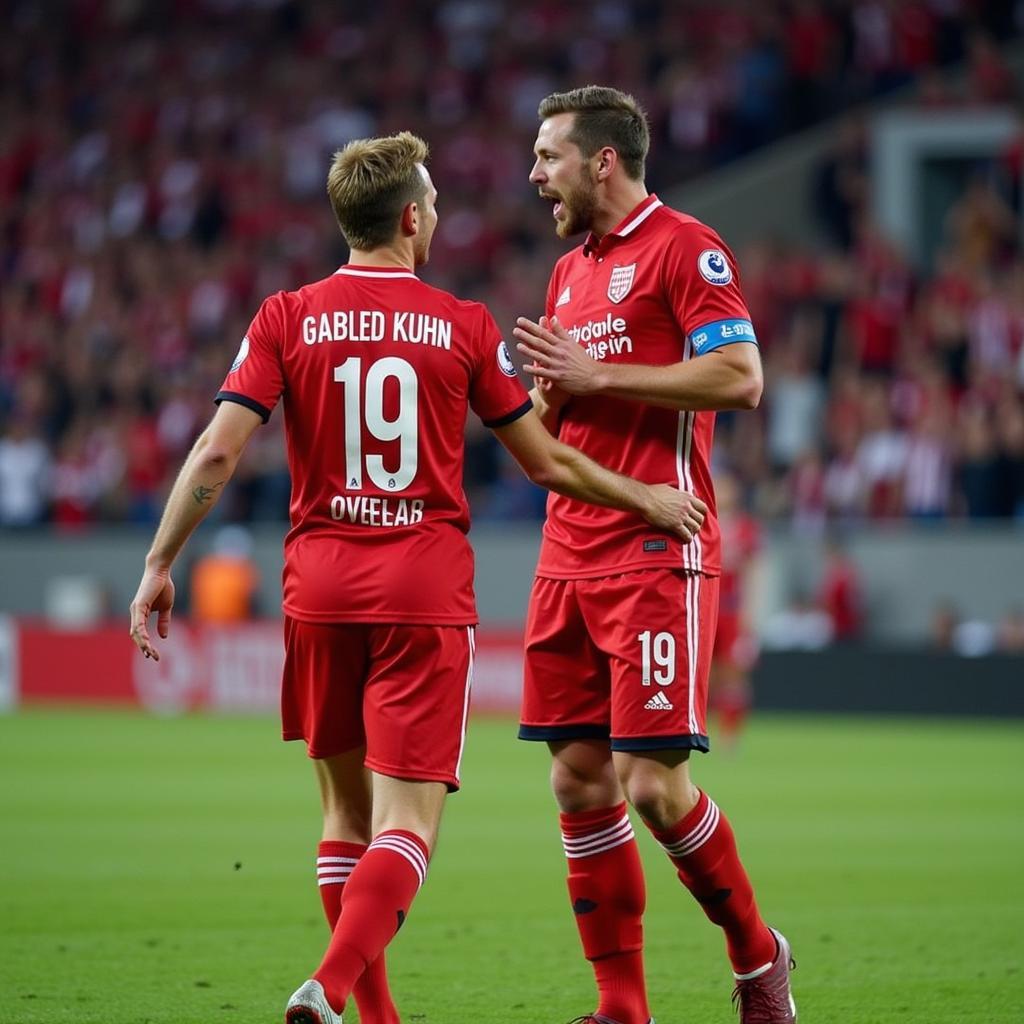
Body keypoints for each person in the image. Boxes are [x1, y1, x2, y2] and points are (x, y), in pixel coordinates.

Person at [128, 130, 707, 1024]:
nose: (437, 211)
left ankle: (376, 1015)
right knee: (409, 826)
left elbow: (216, 450)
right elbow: (547, 463)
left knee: (340, 814)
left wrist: (161, 560)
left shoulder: (285, 315)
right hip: (421, 594)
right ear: (408, 216)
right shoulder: (464, 325)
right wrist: (648, 498)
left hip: (315, 588)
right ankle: (329, 982)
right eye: (431, 201)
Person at [513, 87, 796, 1024]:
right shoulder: (565, 276)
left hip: (652, 546)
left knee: (655, 788)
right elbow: (558, 416)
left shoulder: (687, 247)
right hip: (567, 553)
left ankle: (759, 959)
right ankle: (621, 1006)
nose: (534, 173)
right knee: (576, 776)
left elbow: (740, 377)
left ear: (602, 160)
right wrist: (535, 402)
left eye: (549, 155)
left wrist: (598, 375)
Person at [708, 471, 761, 752]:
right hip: (706, 606)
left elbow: (751, 572)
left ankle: (731, 735)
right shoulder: (705, 521)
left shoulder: (745, 528)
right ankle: (703, 728)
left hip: (730, 610)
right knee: (706, 675)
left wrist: (748, 613)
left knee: (733, 672)